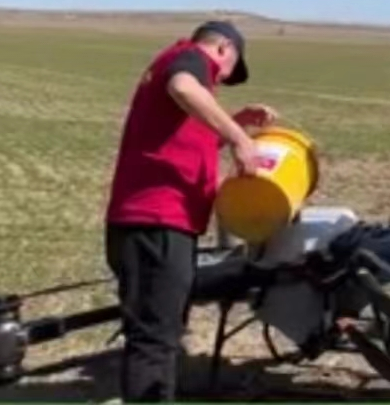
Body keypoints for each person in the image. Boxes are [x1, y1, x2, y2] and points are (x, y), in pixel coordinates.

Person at [104, 20, 277, 402]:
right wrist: (239, 138)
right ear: (223, 49)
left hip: (157, 223)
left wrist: (235, 122)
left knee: (161, 332)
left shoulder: (177, 68)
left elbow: (188, 144)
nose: (221, 80)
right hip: (155, 221)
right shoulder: (190, 58)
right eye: (228, 70)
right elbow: (183, 87)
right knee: (153, 339)